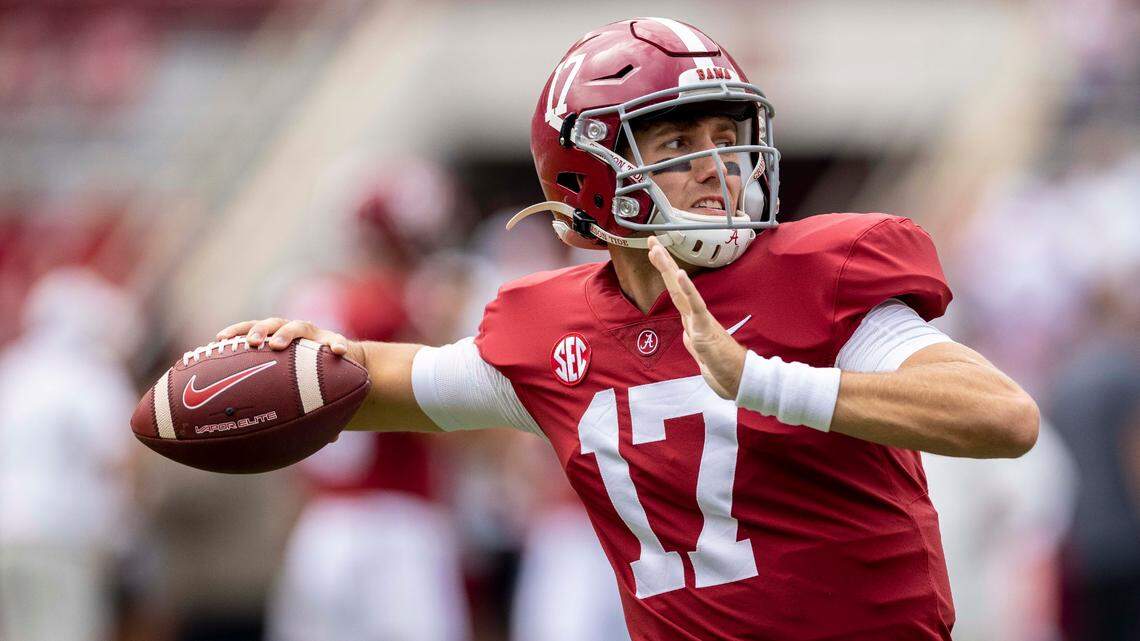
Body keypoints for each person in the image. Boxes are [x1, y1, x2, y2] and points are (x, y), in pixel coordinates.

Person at [212, 19, 1039, 641]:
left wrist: (762, 380)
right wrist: (303, 357)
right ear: (588, 176)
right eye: (678, 142)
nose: (718, 168)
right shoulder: (551, 329)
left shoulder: (819, 274)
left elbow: (1002, 416)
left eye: (727, 137)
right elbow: (395, 384)